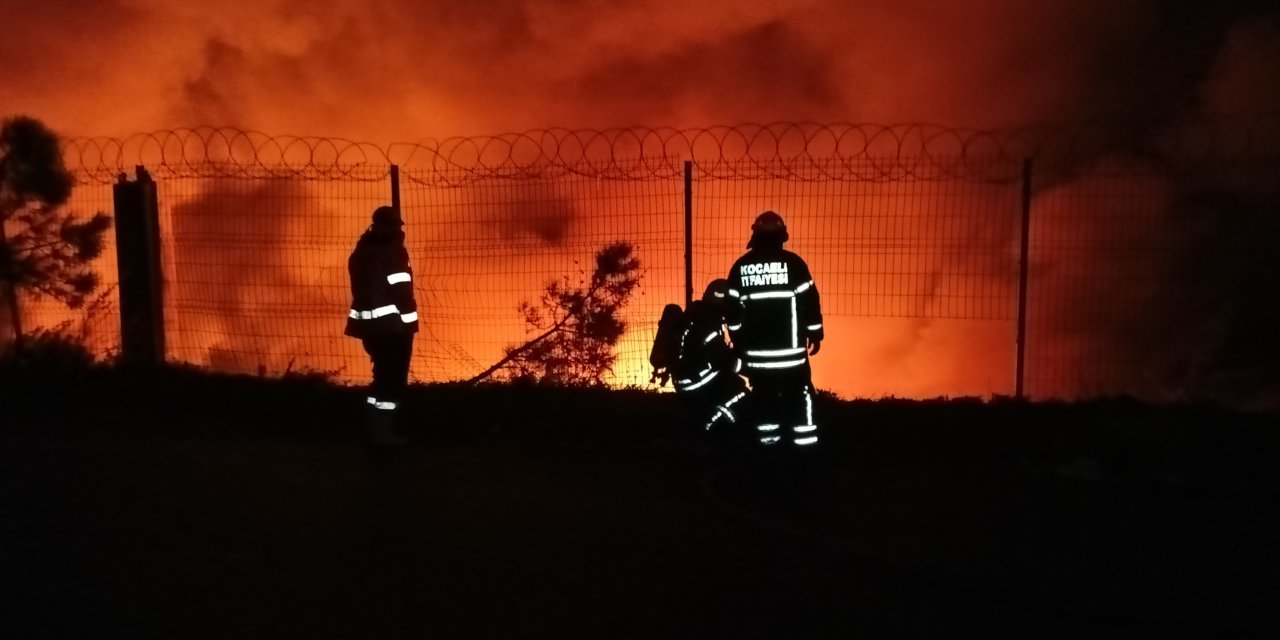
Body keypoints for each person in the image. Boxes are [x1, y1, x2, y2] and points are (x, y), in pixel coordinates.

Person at [725, 211, 824, 448]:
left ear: (755, 236)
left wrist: (738, 341)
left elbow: (732, 313)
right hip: (792, 358)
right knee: (800, 398)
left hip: (758, 359)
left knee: (764, 401)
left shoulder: (741, 267)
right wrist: (815, 332)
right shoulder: (794, 264)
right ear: (782, 236)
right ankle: (805, 448)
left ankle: (768, 449)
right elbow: (810, 300)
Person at [345, 205, 419, 446]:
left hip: (370, 327)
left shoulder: (361, 251)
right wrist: (410, 322)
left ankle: (373, 428)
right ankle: (383, 434)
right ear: (389, 226)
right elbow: (401, 291)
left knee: (381, 376)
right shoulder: (393, 252)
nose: (399, 229)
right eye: (396, 225)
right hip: (393, 327)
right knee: (392, 379)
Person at [665, 280, 748, 433]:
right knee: (741, 393)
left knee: (731, 382)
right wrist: (750, 369)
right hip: (696, 382)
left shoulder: (695, 315)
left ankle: (711, 422)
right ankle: (712, 425)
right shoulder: (708, 323)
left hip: (684, 379)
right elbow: (722, 359)